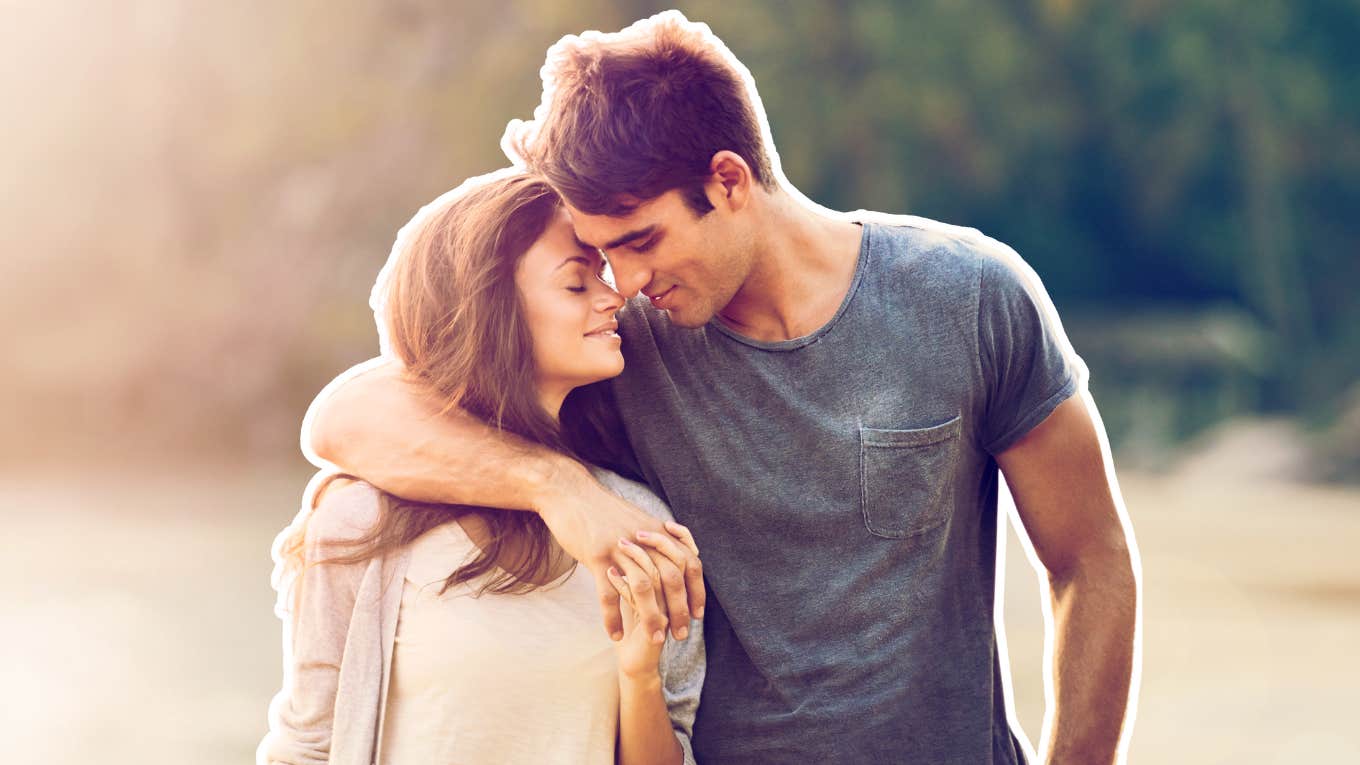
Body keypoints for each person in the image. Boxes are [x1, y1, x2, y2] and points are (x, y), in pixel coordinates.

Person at [307, 12, 1141, 765]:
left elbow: (1090, 557)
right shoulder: (622, 347)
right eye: (601, 256)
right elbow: (349, 416)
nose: (624, 281)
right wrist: (556, 485)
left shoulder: (969, 297)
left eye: (640, 241)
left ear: (731, 180)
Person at [258, 172, 705, 765]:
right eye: (577, 283)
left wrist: (640, 676)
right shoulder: (360, 519)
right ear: (492, 312)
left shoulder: (638, 522)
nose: (613, 295)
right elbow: (306, 748)